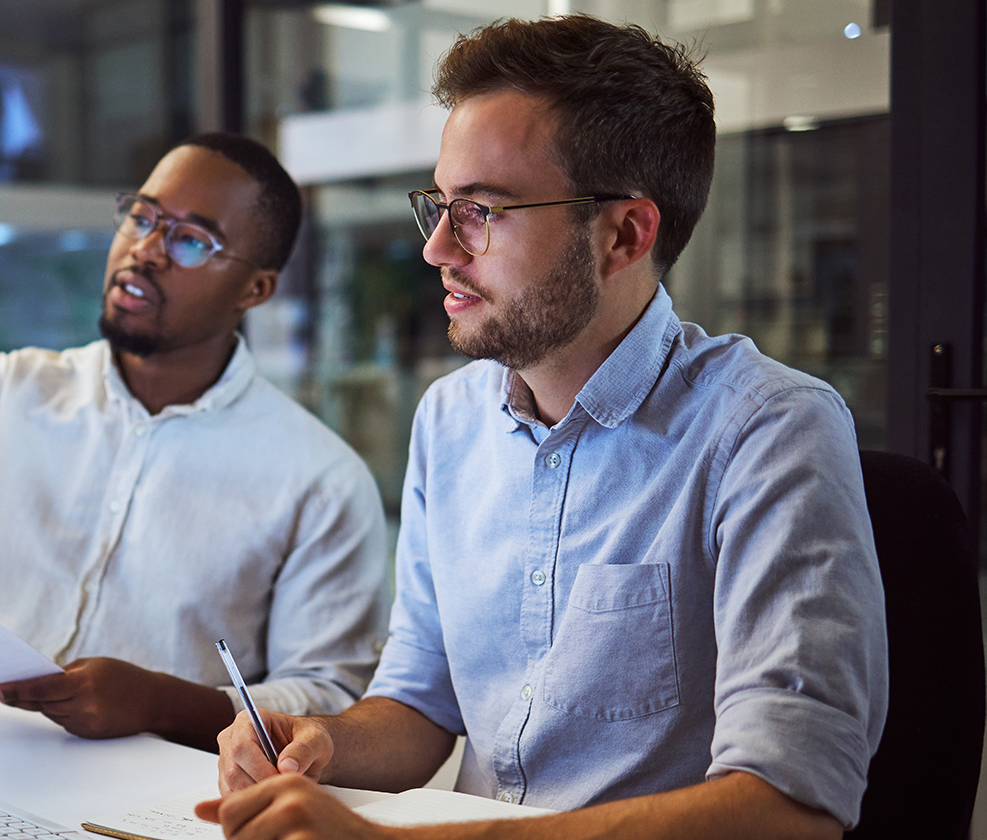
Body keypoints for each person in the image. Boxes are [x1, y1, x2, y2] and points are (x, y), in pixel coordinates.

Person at [201, 15, 886, 840]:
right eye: (441, 206)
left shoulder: (768, 431)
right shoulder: (450, 421)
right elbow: (421, 704)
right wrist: (323, 742)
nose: (439, 251)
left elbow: (789, 809)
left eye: (483, 211)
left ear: (625, 234)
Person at [0, 132, 389, 752]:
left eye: (191, 240)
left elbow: (329, 697)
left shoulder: (320, 477)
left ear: (256, 290)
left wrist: (162, 704)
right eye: (143, 217)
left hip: (167, 797)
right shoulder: (20, 391)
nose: (145, 250)